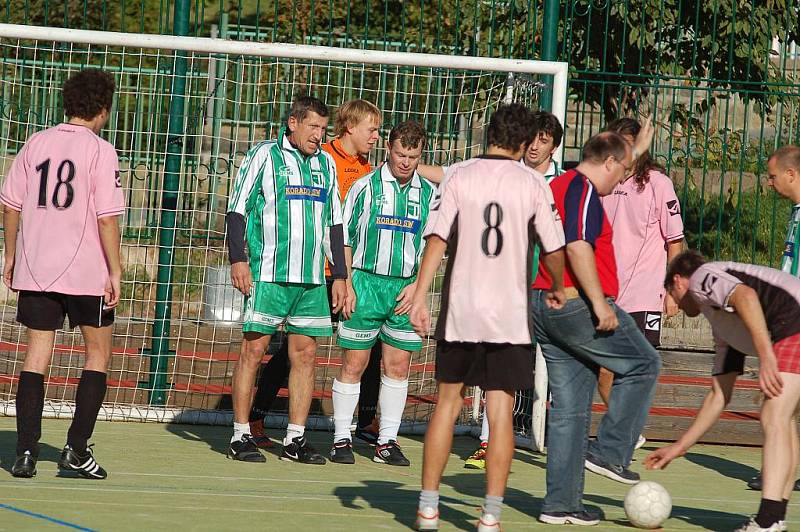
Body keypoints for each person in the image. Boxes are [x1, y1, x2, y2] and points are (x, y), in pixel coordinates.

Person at [409, 103, 567, 532]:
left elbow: (438, 240)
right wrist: (558, 284)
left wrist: (421, 294)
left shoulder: (459, 175)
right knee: (500, 411)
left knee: (447, 404)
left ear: (489, 134)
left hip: (461, 311)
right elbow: (554, 248)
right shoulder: (535, 183)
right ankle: (490, 516)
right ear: (521, 142)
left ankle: (427, 508)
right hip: (509, 317)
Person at [531, 131, 661, 525]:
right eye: (622, 171)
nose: (622, 180)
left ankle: (562, 504)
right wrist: (599, 302)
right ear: (607, 163)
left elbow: (614, 156)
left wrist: (635, 148)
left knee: (570, 411)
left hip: (543, 303)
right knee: (644, 364)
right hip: (576, 304)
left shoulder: (557, 183)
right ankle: (609, 452)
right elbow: (577, 245)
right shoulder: (582, 188)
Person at [3, 69, 124, 479]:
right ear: (103, 108)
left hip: (37, 268)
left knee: (36, 356)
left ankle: (24, 453)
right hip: (87, 270)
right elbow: (107, 219)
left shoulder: (36, 142)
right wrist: (115, 270)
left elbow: (11, 205)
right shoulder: (101, 151)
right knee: (98, 355)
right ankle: (74, 449)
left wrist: (10, 255)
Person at [245, 99, 383, 448]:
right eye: (372, 129)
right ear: (350, 127)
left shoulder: (368, 168)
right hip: (316, 271)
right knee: (291, 348)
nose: (376, 137)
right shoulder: (325, 160)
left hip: (353, 272)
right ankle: (256, 416)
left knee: (368, 343)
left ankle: (366, 421)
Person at [225, 96, 347, 464]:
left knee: (306, 355)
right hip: (268, 274)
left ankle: (295, 438)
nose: (319, 135)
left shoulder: (326, 163)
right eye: (313, 127)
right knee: (254, 351)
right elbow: (237, 209)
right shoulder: (263, 155)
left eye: (324, 130)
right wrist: (238, 259)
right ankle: (240, 433)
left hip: (311, 280)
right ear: (293, 123)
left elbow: (334, 223)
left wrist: (340, 274)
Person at [645, 251, 799, 532]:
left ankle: (767, 521)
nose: (676, 306)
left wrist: (766, 357)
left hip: (793, 320)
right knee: (784, 419)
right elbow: (719, 395)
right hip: (790, 323)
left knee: (773, 415)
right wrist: (679, 448)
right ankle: (775, 517)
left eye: (671, 294)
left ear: (678, 281)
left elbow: (747, 297)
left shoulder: (703, 277)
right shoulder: (722, 324)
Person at [463, 110, 566, 470]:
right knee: (496, 368)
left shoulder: (561, 183)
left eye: (544, 140)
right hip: (504, 288)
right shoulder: (505, 175)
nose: (535, 146)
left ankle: (559, 442)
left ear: (554, 146)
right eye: (532, 138)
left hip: (544, 289)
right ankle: (487, 443)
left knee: (558, 367)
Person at [329, 121, 436, 466]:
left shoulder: (429, 194)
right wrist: (344, 281)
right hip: (366, 282)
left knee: (399, 365)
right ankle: (341, 438)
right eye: (400, 154)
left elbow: (434, 244)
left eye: (413, 156)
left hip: (405, 288)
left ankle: (387, 441)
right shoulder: (364, 187)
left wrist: (419, 285)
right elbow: (342, 237)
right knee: (355, 363)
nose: (405, 162)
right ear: (388, 149)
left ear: (422, 155)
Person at [595, 117, 684, 450]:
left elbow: (675, 241)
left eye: (629, 142)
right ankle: (629, 430)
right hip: (607, 294)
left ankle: (623, 435)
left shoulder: (658, 184)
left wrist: (672, 292)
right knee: (604, 373)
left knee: (635, 372)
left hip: (645, 294)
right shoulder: (604, 184)